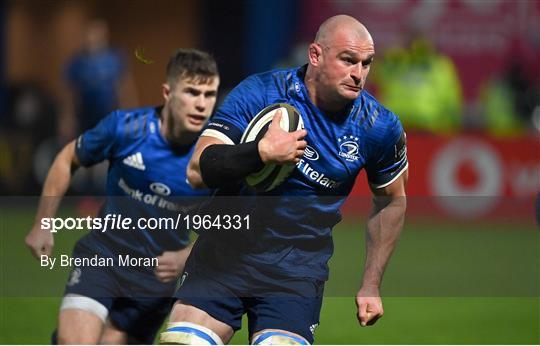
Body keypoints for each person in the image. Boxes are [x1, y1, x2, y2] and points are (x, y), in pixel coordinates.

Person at [160, 15, 408, 345]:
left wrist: (371, 284)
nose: (358, 73)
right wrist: (260, 152)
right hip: (222, 258)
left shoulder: (378, 127)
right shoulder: (260, 92)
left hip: (295, 273)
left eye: (366, 63)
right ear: (315, 55)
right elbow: (197, 170)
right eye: (348, 60)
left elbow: (391, 200)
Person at [24, 49, 220, 344]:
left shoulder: (214, 156)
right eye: (192, 92)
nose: (201, 105)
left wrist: (185, 255)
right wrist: (43, 222)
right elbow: (67, 158)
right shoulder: (126, 128)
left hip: (155, 282)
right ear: (167, 92)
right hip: (103, 257)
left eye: (209, 94)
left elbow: (230, 226)